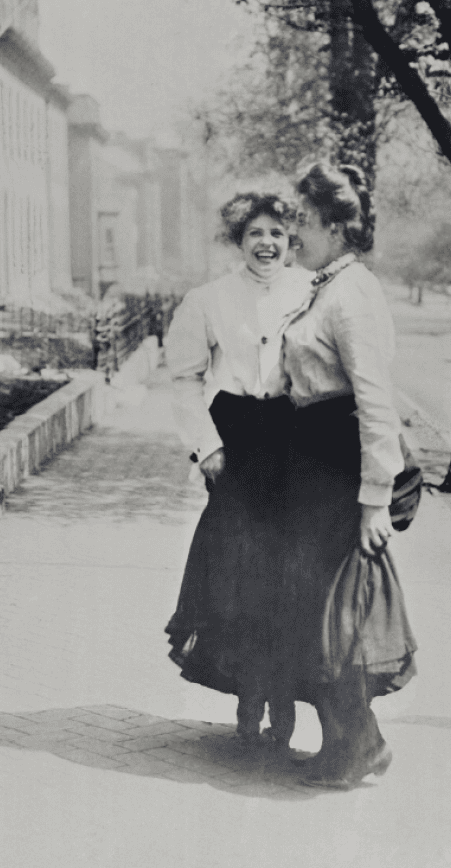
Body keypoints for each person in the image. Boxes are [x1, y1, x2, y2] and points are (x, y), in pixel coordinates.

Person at [281, 162, 417, 789]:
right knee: (314, 610)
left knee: (339, 615)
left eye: (303, 222)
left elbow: (375, 400)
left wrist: (374, 501)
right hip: (315, 466)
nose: (292, 233)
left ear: (336, 228)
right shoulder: (326, 286)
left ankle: (359, 746)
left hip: (341, 471)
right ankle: (349, 743)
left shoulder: (352, 292)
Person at [164, 192, 314, 748]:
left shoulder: (311, 291)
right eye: (255, 233)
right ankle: (250, 694)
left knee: (293, 577)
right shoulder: (208, 299)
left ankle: (286, 695)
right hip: (237, 445)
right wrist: (207, 447)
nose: (266, 243)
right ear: (238, 239)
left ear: (291, 239)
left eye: (277, 233)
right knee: (240, 575)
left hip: (297, 442)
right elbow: (183, 377)